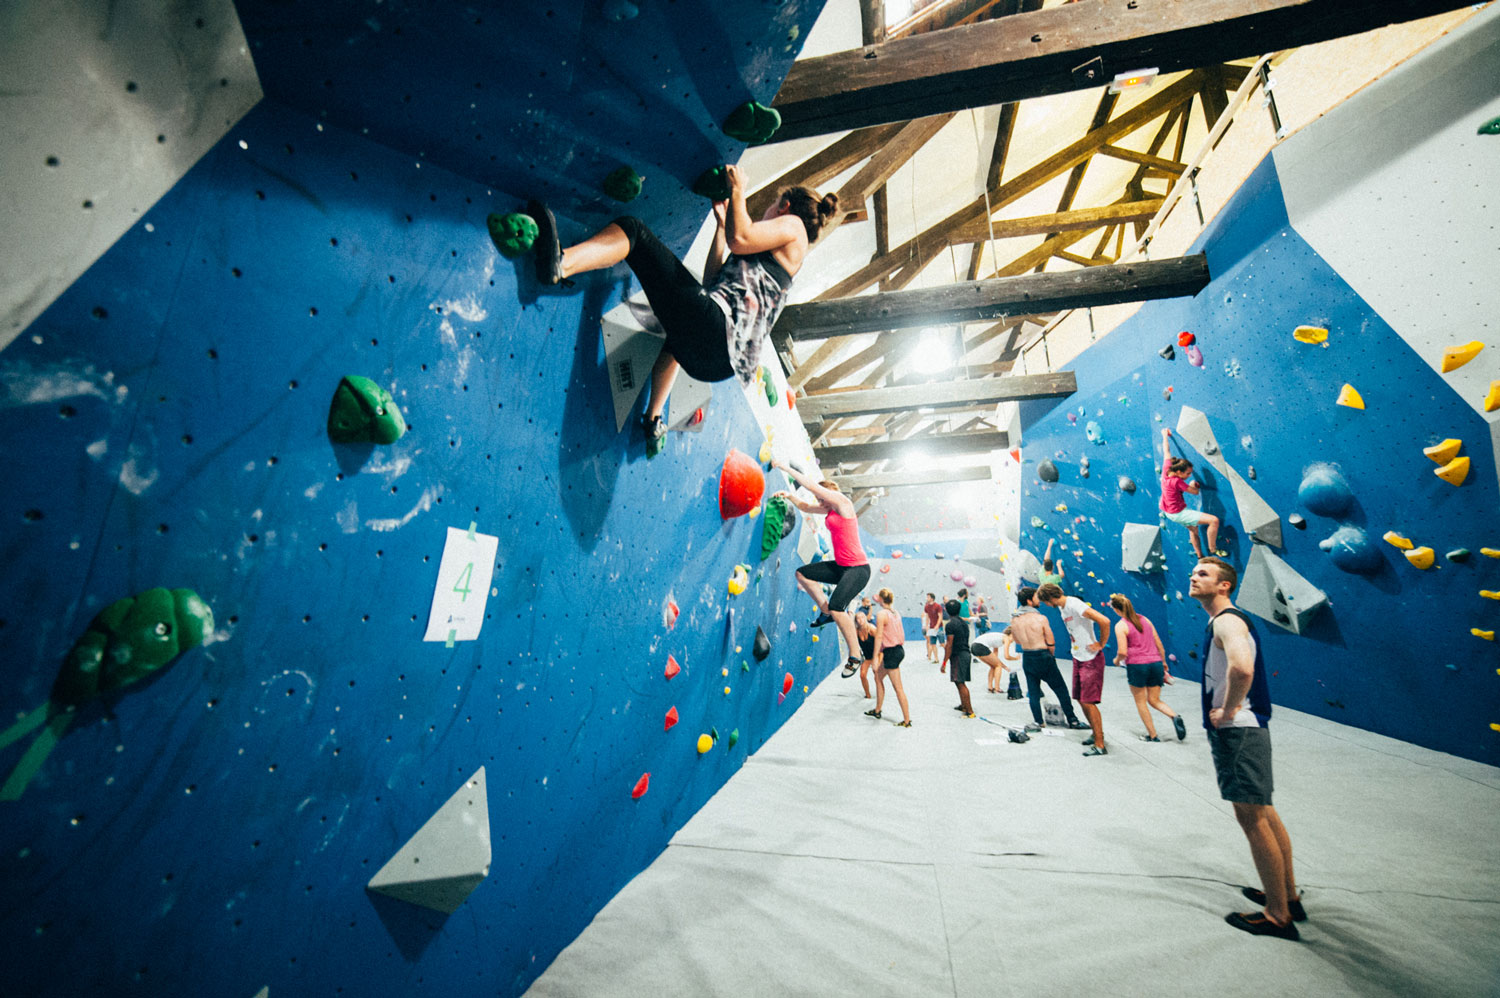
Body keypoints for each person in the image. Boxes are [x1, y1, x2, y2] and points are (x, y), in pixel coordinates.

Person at [530, 165, 839, 456]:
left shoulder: (795, 227)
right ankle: (653, 420)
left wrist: (738, 189)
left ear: (784, 207)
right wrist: (720, 229)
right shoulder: (776, 261)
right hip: (715, 363)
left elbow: (741, 237)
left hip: (716, 331)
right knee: (675, 335)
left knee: (633, 231)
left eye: (773, 206)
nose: (767, 212)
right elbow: (711, 284)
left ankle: (562, 262)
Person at [1190, 556, 1303, 940]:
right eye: (1194, 571)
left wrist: (1229, 709)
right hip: (1245, 730)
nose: (1194, 576)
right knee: (1264, 811)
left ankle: (1277, 915)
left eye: (1204, 573)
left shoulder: (1227, 620)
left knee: (1252, 819)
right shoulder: (1222, 619)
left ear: (1224, 585)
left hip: (1238, 732)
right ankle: (1287, 895)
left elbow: (1242, 669)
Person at [772, 459, 870, 680]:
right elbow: (806, 506)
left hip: (858, 569)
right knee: (803, 573)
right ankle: (825, 611)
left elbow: (812, 487)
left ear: (829, 494)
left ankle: (856, 655)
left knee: (839, 608)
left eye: (821, 497)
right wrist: (789, 496)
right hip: (842, 567)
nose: (819, 501)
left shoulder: (843, 503)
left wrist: (785, 468)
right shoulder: (828, 508)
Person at [1038, 583, 1113, 756]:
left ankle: (1100, 745)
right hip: (1078, 657)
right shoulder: (1063, 608)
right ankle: (1096, 734)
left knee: (1088, 701)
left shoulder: (1074, 604)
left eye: (1045, 602)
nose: (1047, 606)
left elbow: (1104, 620)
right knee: (1080, 698)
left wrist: (1101, 643)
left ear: (1049, 599)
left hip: (1091, 659)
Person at [1109, 593, 1186, 742]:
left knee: (1141, 701)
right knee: (1155, 699)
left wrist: (1116, 660)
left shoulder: (1121, 626)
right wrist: (1163, 662)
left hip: (1137, 666)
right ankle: (1174, 716)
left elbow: (1122, 652)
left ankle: (1153, 735)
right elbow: (1159, 644)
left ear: (1117, 610)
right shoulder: (1146, 620)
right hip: (1155, 663)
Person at [1009, 587, 1086, 731]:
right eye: (1036, 598)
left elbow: (1017, 641)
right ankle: (1072, 720)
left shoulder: (1015, 620)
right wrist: (1050, 655)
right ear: (1029, 601)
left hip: (1028, 657)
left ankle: (1038, 722)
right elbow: (1051, 640)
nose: (1039, 601)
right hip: (1043, 656)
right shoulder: (1040, 618)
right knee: (1060, 689)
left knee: (1033, 692)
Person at [1159, 428, 1223, 558]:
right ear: (1178, 473)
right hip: (1178, 513)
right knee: (1214, 521)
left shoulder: (1167, 469)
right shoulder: (1177, 481)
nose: (1189, 475)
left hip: (1168, 511)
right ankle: (1212, 549)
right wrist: (1193, 484)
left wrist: (1165, 436)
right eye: (1187, 474)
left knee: (1194, 530)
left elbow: (1167, 451)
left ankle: (1200, 556)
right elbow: (1194, 492)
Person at [866, 588, 912, 726]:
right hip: (897, 650)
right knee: (878, 677)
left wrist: (874, 658)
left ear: (881, 599)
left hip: (892, 653)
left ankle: (907, 720)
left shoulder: (881, 614)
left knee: (898, 688)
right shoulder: (895, 612)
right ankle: (877, 710)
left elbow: (879, 636)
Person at [940, 598, 976, 717]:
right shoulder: (963, 623)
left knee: (960, 683)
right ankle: (963, 705)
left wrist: (944, 662)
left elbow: (949, 644)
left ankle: (969, 711)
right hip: (966, 654)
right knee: (959, 681)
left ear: (946, 610)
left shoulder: (950, 625)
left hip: (958, 656)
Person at [853, 596, 879, 699]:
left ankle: (880, 692)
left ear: (865, 618)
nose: (860, 620)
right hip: (867, 657)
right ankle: (868, 695)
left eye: (862, 618)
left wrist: (877, 658)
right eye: (858, 618)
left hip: (877, 654)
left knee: (876, 673)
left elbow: (881, 643)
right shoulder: (856, 631)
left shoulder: (872, 629)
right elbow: (853, 644)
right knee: (862, 674)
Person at [971, 631, 1012, 695]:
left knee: (994, 666)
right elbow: (1007, 656)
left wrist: (1004, 666)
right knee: (998, 666)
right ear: (1011, 635)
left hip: (974, 647)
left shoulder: (998, 639)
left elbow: (995, 658)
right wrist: (1015, 658)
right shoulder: (1005, 638)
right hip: (980, 646)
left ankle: (990, 688)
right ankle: (997, 689)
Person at [923, 593, 943, 663]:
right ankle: (936, 659)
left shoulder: (938, 606)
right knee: (933, 643)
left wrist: (937, 625)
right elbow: (927, 616)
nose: (927, 598)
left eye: (928, 597)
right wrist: (927, 625)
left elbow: (940, 616)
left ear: (932, 598)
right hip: (931, 628)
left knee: (942, 643)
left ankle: (950, 654)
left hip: (939, 627)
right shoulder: (926, 607)